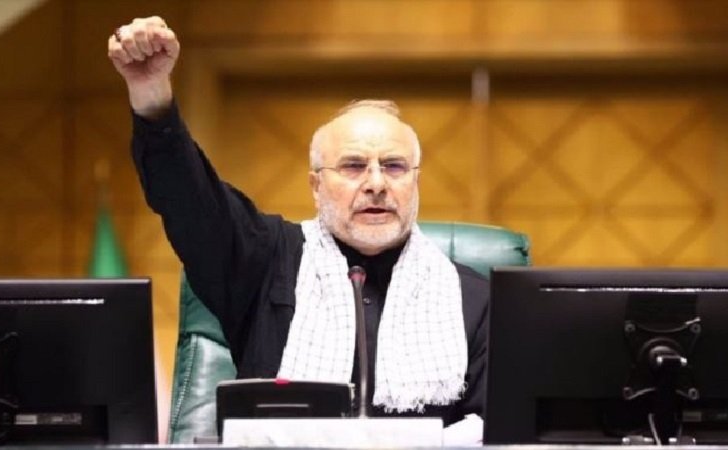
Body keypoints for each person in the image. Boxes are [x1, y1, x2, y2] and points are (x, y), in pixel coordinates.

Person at [108, 16, 489, 429]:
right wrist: (152, 96)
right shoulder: (266, 261)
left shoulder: (474, 299)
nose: (376, 184)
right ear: (316, 186)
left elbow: (496, 432)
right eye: (353, 166)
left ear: (416, 182)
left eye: (394, 166)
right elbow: (190, 200)